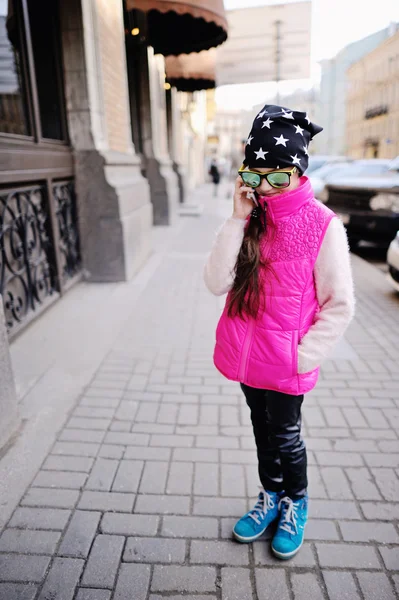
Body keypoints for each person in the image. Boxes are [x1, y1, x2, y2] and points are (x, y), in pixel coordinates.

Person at [203, 105, 355, 560]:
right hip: (249, 356)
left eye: (277, 176)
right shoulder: (248, 215)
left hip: (287, 361)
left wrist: (303, 356)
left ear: (298, 170)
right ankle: (269, 497)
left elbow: (339, 304)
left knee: (286, 436)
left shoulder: (321, 224)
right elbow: (215, 283)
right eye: (255, 174)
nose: (265, 187)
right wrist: (235, 219)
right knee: (260, 430)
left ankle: (295, 503)